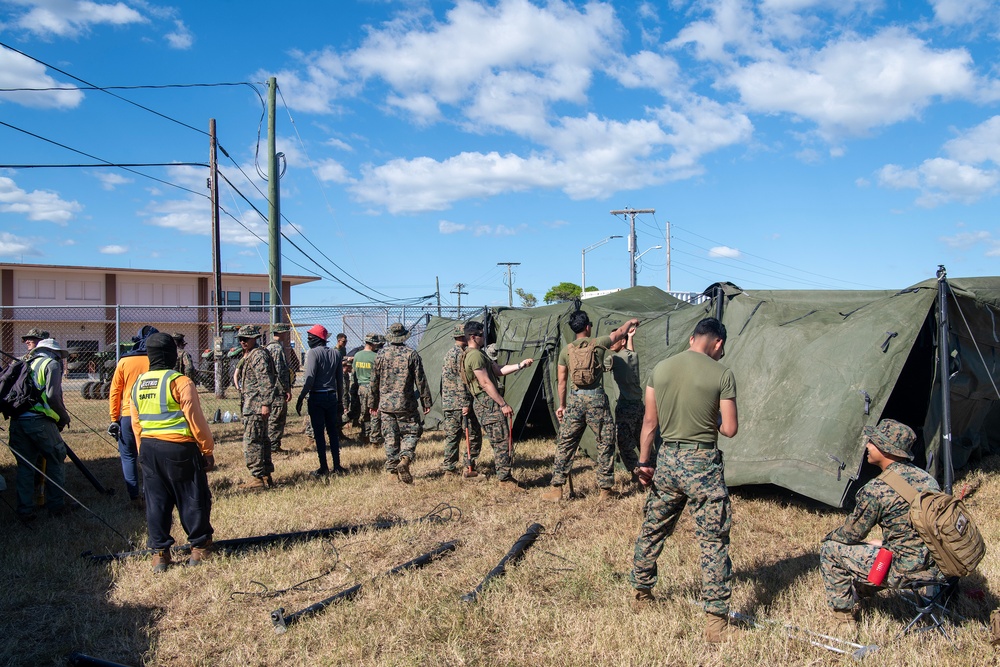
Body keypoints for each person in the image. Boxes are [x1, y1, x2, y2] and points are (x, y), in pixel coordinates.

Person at [629, 317, 738, 643]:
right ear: (717, 343)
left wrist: (645, 463)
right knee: (713, 541)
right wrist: (712, 410)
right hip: (703, 463)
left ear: (692, 338)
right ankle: (715, 621)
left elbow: (649, 423)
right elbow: (729, 429)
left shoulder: (660, 370)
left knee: (654, 528)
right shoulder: (722, 374)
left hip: (668, 461)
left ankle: (641, 591)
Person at [819, 418, 948, 632]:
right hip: (937, 567)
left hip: (905, 570)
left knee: (830, 550)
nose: (868, 446)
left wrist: (829, 536)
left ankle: (844, 619)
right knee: (878, 545)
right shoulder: (928, 480)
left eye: (873, 442)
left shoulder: (877, 489)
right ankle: (862, 591)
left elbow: (850, 534)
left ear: (886, 449)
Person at [129, 333, 215, 573]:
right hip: (179, 449)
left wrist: (141, 452)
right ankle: (199, 547)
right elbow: (196, 421)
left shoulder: (139, 384)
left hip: (148, 448)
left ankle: (160, 554)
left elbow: (136, 423)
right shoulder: (180, 382)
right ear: (171, 355)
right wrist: (207, 449)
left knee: (156, 502)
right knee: (192, 497)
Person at [542, 311, 639, 501]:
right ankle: (605, 490)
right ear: (587, 327)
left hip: (575, 400)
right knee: (605, 442)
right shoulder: (599, 343)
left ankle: (556, 488)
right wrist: (630, 322)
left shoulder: (566, 351)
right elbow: (619, 333)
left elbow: (561, 382)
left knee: (566, 443)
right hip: (596, 400)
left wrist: (562, 405)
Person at [462, 320, 533, 489]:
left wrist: (520, 365)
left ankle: (504, 476)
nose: (484, 337)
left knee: (499, 440)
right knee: (501, 441)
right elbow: (486, 383)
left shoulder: (478, 354)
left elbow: (497, 370)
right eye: (481, 335)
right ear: (473, 337)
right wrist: (502, 404)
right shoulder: (475, 356)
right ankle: (505, 479)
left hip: (487, 402)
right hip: (488, 403)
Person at [9, 338, 72, 519]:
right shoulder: (50, 364)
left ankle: (25, 510)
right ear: (53, 353)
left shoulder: (24, 363)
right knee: (56, 458)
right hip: (39, 422)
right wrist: (64, 417)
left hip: (17, 422)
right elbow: (52, 397)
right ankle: (56, 507)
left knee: (25, 466)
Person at [369, 323, 431, 484]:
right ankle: (405, 458)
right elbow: (421, 380)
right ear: (404, 336)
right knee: (411, 433)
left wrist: (372, 403)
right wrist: (426, 401)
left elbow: (374, 381)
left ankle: (392, 471)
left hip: (386, 404)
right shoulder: (412, 354)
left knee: (390, 437)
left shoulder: (381, 354)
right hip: (406, 403)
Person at [109, 325, 158, 508]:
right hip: (152, 415)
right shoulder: (156, 359)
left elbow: (115, 392)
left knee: (128, 456)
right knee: (149, 456)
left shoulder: (124, 361)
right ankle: (149, 494)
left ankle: (134, 497)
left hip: (127, 415)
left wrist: (114, 418)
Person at [295, 324, 346, 476]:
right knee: (333, 432)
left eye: (310, 338)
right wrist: (340, 401)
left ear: (317, 339)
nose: (308, 340)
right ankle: (337, 466)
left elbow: (309, 380)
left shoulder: (312, 353)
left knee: (319, 433)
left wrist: (301, 397)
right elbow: (339, 381)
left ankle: (323, 467)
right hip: (331, 397)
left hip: (317, 397)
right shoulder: (336, 354)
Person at [234, 325, 279, 490]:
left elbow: (265, 380)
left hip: (255, 406)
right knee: (261, 440)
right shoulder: (251, 354)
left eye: (246, 339)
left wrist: (266, 404)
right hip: (254, 406)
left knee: (252, 442)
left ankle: (257, 478)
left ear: (254, 338)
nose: (242, 342)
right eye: (240, 339)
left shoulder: (258, 355)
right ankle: (265, 475)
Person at [440, 324, 482, 476]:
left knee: (452, 436)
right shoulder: (463, 354)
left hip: (449, 403)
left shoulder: (448, 354)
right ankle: (469, 466)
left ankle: (449, 469)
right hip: (461, 403)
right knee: (473, 435)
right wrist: (466, 402)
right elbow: (461, 380)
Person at [609, 325, 642, 481]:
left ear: (621, 341)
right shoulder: (632, 356)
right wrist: (630, 337)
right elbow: (629, 353)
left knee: (624, 443)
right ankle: (652, 469)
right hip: (638, 405)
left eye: (614, 339)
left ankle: (637, 473)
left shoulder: (614, 359)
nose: (611, 343)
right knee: (642, 440)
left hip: (626, 406)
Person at [265, 325, 293, 453]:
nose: (287, 335)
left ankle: (274, 445)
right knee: (277, 418)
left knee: (275, 417)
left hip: (272, 387)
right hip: (278, 388)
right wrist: (287, 388)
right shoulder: (276, 348)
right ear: (281, 333)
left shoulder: (269, 347)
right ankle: (273, 446)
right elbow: (280, 370)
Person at [353, 333, 381, 446]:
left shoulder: (357, 355)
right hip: (373, 388)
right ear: (373, 343)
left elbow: (354, 372)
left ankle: (364, 435)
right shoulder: (375, 356)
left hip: (361, 387)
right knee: (374, 412)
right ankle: (374, 439)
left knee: (364, 413)